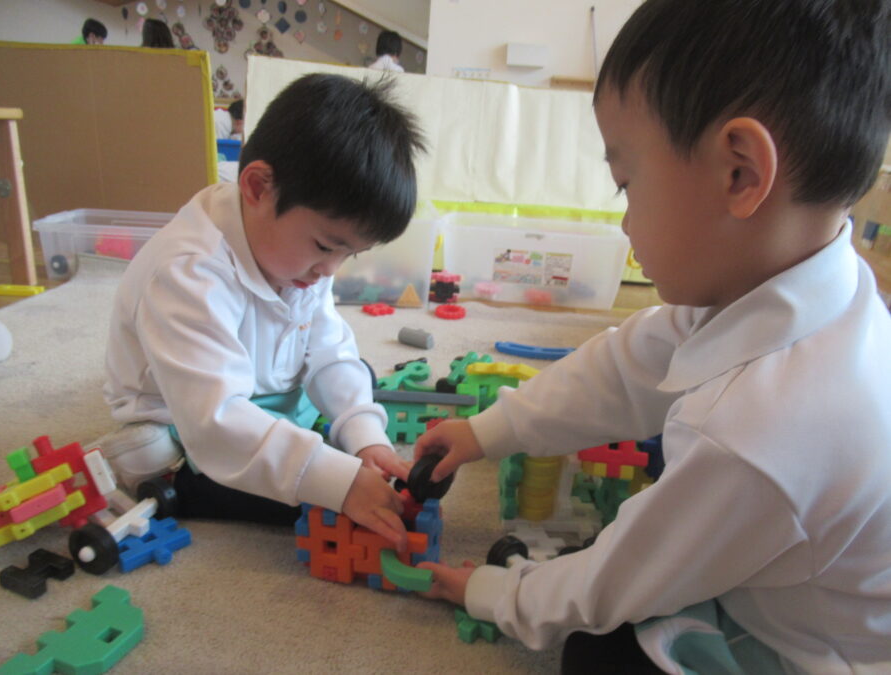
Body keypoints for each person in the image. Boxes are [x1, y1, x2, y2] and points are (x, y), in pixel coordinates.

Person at [413, 0, 891, 672]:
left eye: (626, 185)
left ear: (740, 174)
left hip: (815, 653)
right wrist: (488, 431)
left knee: (599, 648)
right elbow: (624, 367)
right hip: (791, 569)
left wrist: (496, 593)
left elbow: (614, 583)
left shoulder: (758, 431)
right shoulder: (803, 285)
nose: (625, 221)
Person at [99, 74, 426, 550]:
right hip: (188, 418)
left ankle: (309, 442)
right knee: (314, 497)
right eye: (325, 246)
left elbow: (328, 348)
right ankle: (178, 485)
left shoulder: (298, 259)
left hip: (265, 392)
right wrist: (336, 480)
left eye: (349, 254)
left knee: (358, 380)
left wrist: (365, 436)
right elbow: (216, 420)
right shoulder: (187, 272)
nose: (330, 270)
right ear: (256, 186)